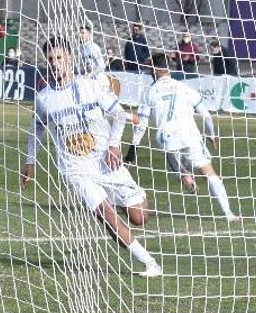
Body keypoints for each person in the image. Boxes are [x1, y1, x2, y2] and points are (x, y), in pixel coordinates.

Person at [21, 39, 163, 277]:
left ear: (70, 58)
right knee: (105, 214)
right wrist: (29, 161)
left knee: (139, 217)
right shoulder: (44, 98)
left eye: (60, 58)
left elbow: (118, 115)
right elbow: (36, 130)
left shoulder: (90, 86)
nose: (55, 64)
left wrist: (114, 146)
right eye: (51, 60)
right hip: (75, 168)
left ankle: (114, 200)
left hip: (105, 161)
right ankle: (150, 263)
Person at [142, 52, 239, 221]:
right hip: (189, 134)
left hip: (167, 137)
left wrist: (134, 146)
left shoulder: (150, 92)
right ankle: (228, 213)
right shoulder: (184, 87)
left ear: (154, 69)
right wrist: (212, 135)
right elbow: (207, 116)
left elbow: (142, 121)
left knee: (177, 166)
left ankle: (185, 177)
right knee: (209, 172)